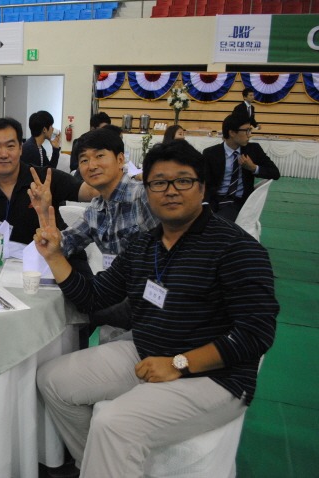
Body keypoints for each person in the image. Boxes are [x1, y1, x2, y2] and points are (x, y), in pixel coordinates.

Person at [34, 139, 278, 477]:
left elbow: (256, 334)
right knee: (52, 380)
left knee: (113, 423)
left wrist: (180, 363)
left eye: (183, 181)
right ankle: (98, 464)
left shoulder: (236, 248)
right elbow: (93, 297)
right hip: (146, 352)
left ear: (202, 187)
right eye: (159, 183)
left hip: (214, 377)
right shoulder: (143, 245)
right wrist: (54, 257)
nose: (171, 191)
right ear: (147, 190)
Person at [37, 128, 158, 340]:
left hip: (152, 305)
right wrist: (45, 211)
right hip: (116, 293)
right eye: (84, 160)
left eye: (100, 156)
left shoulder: (143, 196)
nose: (91, 165)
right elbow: (64, 243)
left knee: (72, 312)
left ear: (120, 160)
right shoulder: (96, 209)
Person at [0, 117, 93, 244]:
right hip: (5, 262)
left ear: (21, 149)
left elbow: (89, 192)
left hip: (53, 258)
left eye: (10, 146)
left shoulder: (44, 178)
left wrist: (95, 170)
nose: (3, 154)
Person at [202, 113, 280, 221]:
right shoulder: (211, 153)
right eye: (246, 130)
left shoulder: (253, 150)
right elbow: (203, 182)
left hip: (237, 201)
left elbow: (275, 173)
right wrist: (205, 204)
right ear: (232, 133)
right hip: (213, 200)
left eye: (250, 130)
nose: (249, 135)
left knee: (218, 222)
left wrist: (253, 168)